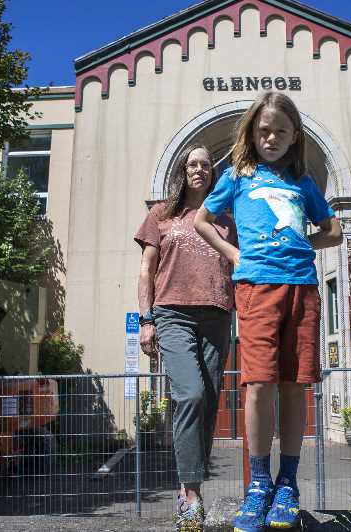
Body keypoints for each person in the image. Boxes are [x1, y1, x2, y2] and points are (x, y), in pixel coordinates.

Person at [194, 91, 342, 531]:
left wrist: (302, 245)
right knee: (258, 384)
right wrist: (232, 253)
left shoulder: (302, 182)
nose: (271, 137)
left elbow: (332, 230)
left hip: (302, 288)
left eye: (280, 130)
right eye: (264, 130)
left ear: (294, 136)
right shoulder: (238, 176)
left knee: (295, 385)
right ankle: (259, 485)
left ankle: (288, 484)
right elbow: (203, 220)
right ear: (252, 134)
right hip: (256, 288)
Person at [135, 144, 237, 531]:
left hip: (216, 315)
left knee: (209, 404)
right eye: (192, 164)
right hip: (172, 312)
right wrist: (147, 320)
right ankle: (190, 495)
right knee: (190, 393)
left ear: (213, 172)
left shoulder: (225, 219)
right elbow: (146, 271)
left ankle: (192, 487)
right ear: (184, 170)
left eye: (205, 164)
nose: (199, 169)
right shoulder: (162, 214)